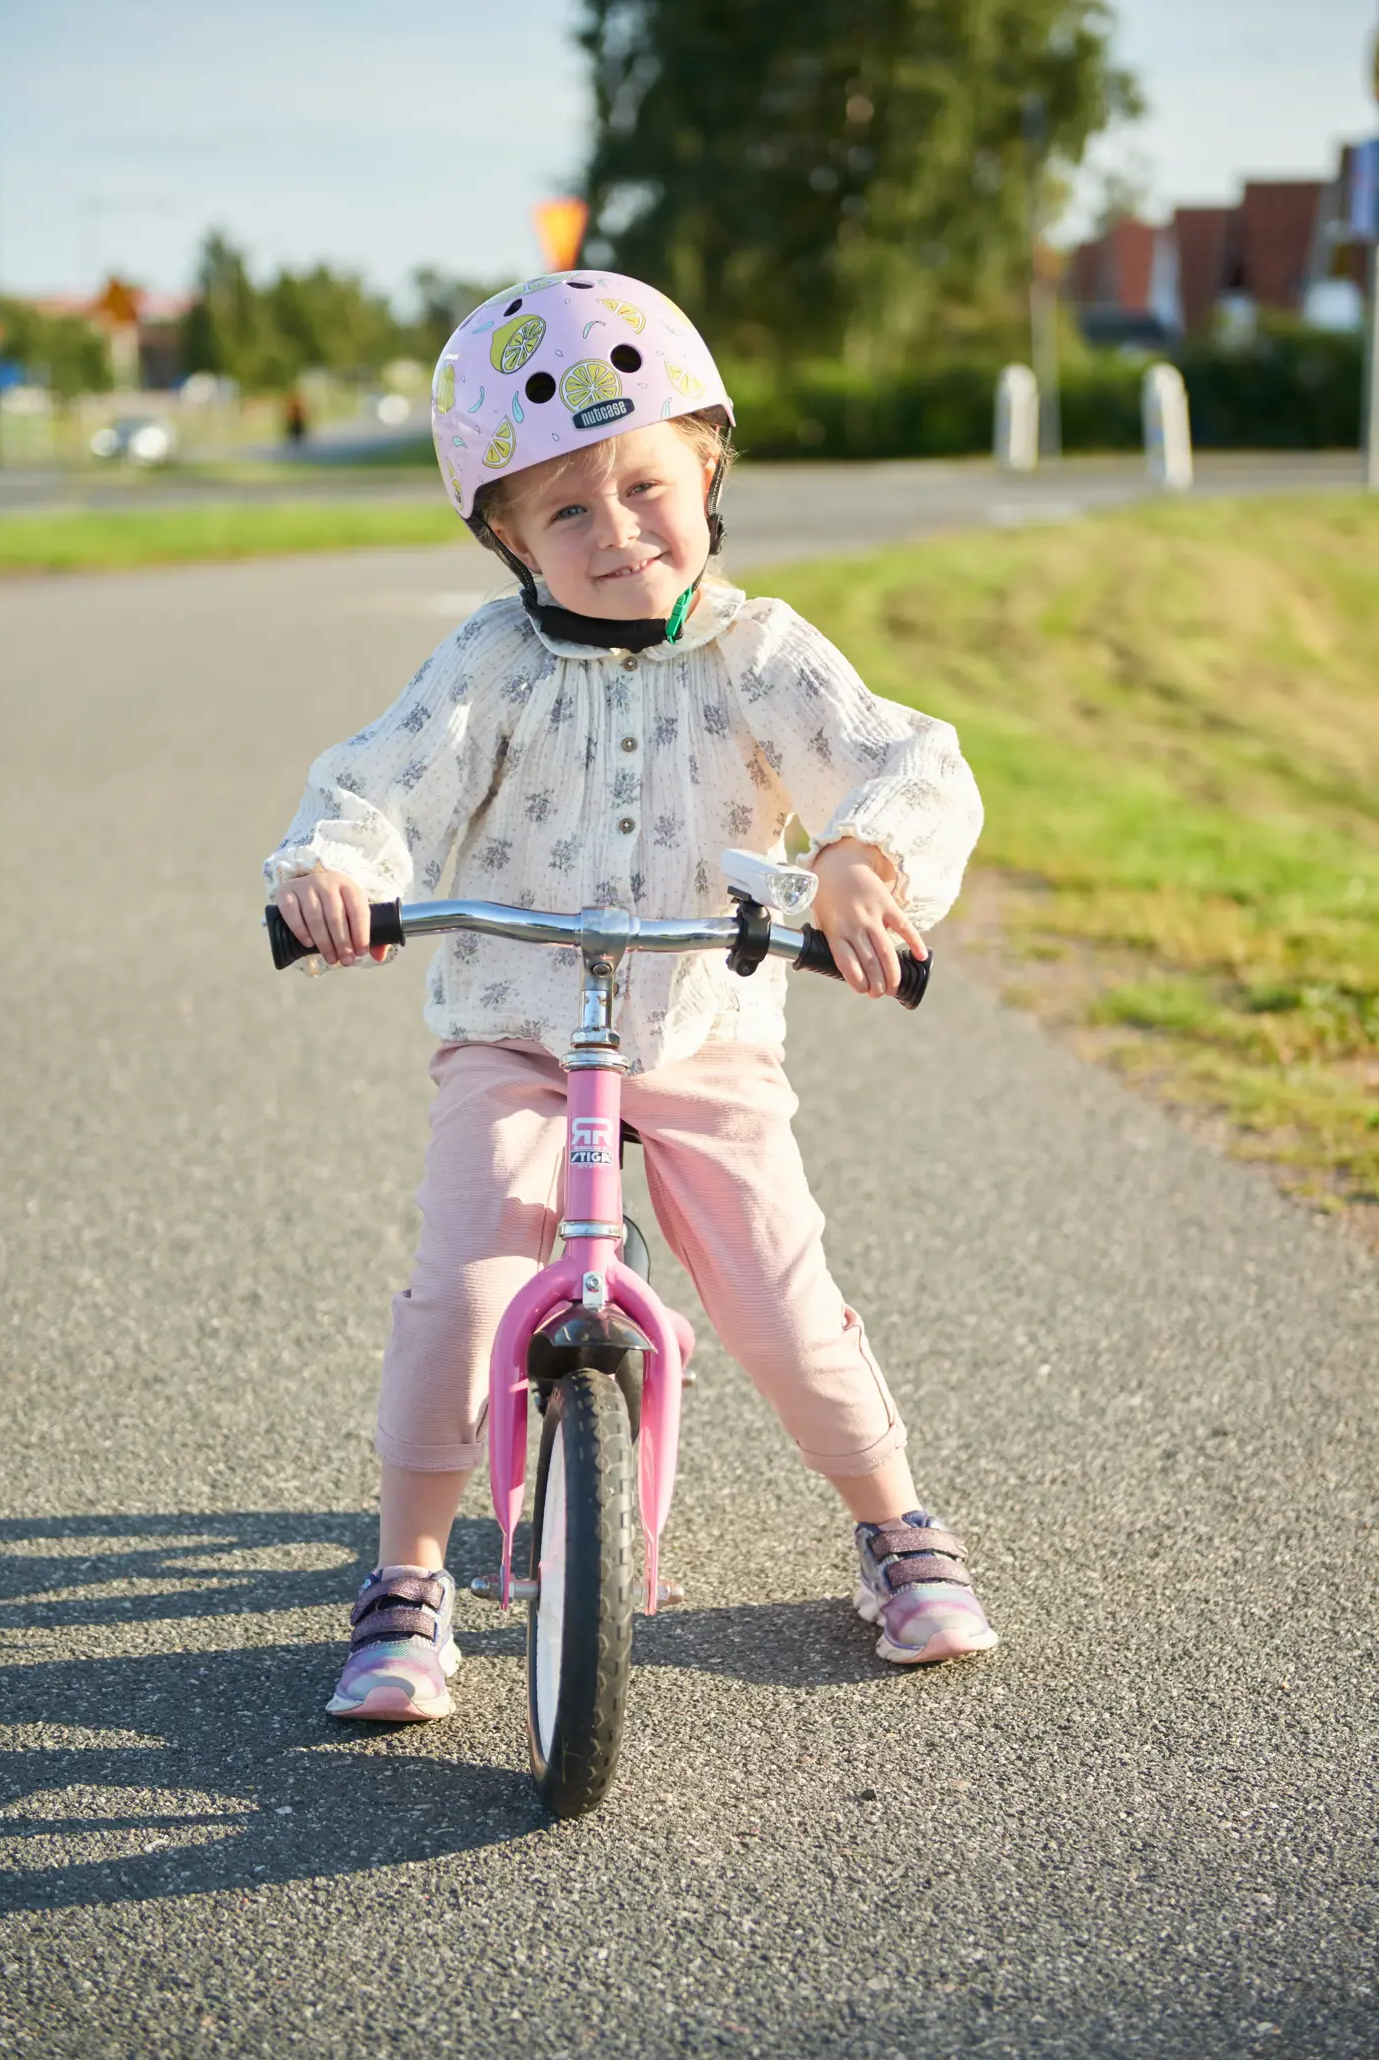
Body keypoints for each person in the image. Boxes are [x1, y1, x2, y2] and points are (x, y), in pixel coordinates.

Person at [265, 271, 998, 1722]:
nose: (618, 536)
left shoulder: (762, 655)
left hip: (707, 1039)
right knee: (464, 1298)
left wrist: (860, 861)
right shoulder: (492, 663)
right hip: (519, 1039)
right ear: (507, 538)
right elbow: (377, 778)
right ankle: (409, 1574)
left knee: (784, 1304)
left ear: (708, 470)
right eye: (568, 514)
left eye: (647, 486)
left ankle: (895, 1522)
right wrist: (335, 866)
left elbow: (910, 758)